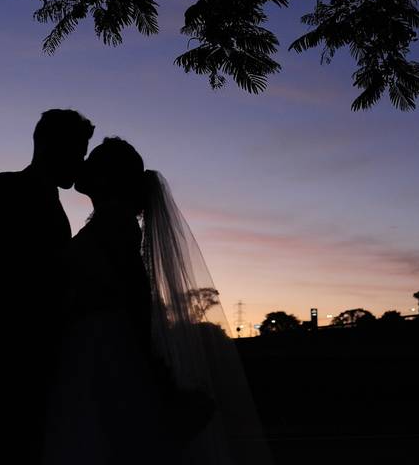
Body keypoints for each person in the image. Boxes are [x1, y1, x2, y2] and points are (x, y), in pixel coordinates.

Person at [42, 137, 269, 465]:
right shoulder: (114, 226)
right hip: (96, 355)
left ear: (108, 178)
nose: (84, 166)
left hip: (103, 360)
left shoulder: (115, 228)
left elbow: (133, 300)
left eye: (94, 161)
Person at [0, 109, 94, 465]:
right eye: (78, 152)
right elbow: (13, 274)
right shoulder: (8, 188)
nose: (80, 162)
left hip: (25, 348)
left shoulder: (43, 197)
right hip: (9, 348)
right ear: (50, 146)